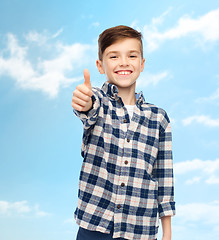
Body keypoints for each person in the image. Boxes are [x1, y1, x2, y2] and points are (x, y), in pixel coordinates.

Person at [71, 25, 175, 240]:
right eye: (114, 56)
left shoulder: (159, 118)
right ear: (100, 65)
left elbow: (164, 178)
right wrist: (84, 102)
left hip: (141, 229)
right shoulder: (99, 103)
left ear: (142, 63)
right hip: (94, 226)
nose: (124, 62)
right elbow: (88, 109)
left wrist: (167, 233)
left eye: (132, 55)